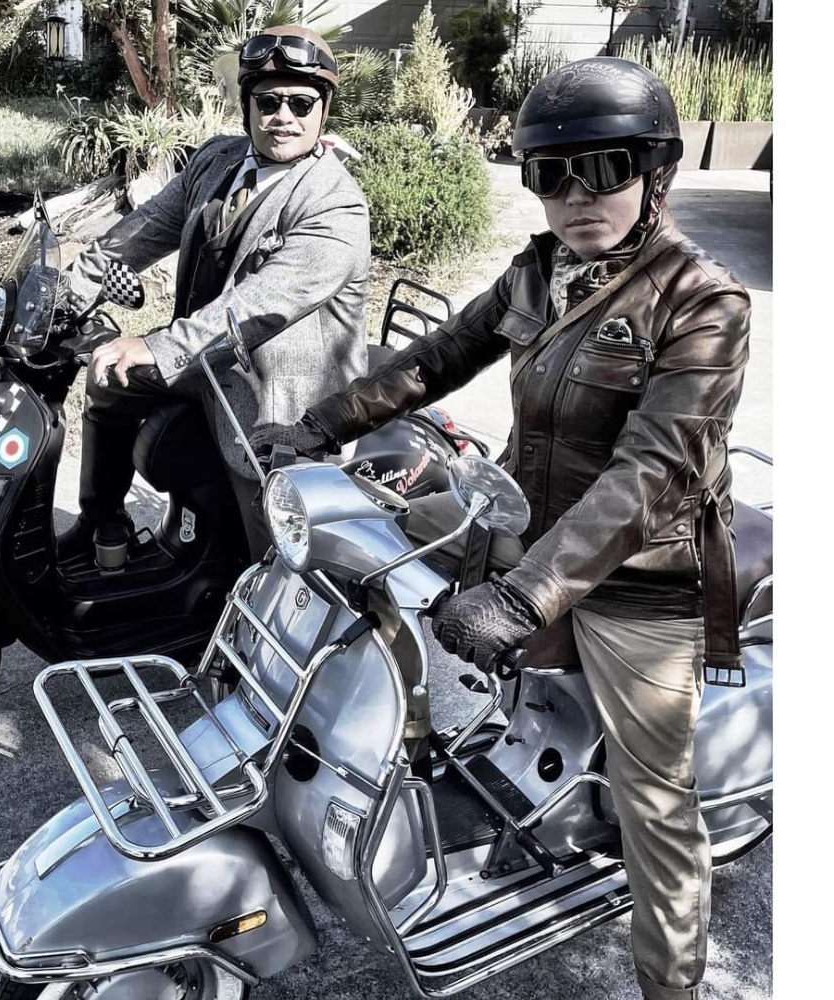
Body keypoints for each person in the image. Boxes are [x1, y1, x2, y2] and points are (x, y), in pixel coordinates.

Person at [250, 57, 750, 1000]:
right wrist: (319, 427)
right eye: (549, 173)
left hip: (642, 572)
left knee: (656, 799)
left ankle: (673, 984)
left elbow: (652, 472)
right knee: (374, 550)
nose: (575, 195)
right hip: (528, 522)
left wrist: (523, 597)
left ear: (656, 172)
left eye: (602, 168)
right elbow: (435, 359)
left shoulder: (703, 303)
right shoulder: (537, 273)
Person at [58, 25, 369, 560]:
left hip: (280, 399)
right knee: (109, 378)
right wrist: (67, 288)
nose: (284, 116)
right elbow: (142, 231)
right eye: (268, 102)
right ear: (247, 105)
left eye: (301, 103)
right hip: (207, 362)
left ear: (323, 111)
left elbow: (259, 306)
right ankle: (101, 524)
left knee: (272, 555)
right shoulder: (217, 161)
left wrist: (156, 346)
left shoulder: (334, 204)